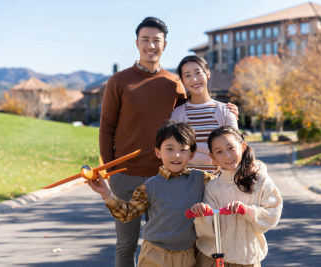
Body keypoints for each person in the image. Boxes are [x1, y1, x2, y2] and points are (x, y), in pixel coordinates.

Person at [98, 17, 238, 266]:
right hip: (125, 175)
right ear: (137, 43)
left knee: (167, 240)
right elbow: (107, 126)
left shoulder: (174, 83)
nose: (151, 45)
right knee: (126, 244)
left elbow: (194, 108)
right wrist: (110, 169)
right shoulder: (118, 81)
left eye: (156, 40)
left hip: (165, 176)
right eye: (145, 40)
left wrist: (228, 111)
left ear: (165, 45)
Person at [89, 121, 214, 267]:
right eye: (169, 149)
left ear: (192, 154)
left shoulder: (201, 179)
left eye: (183, 150)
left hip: (185, 256)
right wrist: (105, 193)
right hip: (154, 255)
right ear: (158, 152)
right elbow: (126, 213)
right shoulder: (150, 185)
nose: (176, 155)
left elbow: (226, 184)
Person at [190, 126, 283, 267]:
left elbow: (272, 213)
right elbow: (208, 232)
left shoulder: (260, 178)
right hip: (213, 259)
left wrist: (247, 211)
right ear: (213, 157)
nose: (227, 156)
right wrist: (202, 213)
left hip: (248, 259)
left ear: (243, 147)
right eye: (219, 152)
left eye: (231, 148)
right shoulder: (213, 187)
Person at [171, 55, 238, 172]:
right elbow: (176, 153)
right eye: (187, 76)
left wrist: (190, 149)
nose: (194, 79)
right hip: (187, 186)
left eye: (198, 73)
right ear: (182, 81)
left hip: (220, 185)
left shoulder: (226, 111)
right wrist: (217, 154)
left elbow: (234, 150)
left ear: (208, 73)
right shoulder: (177, 115)